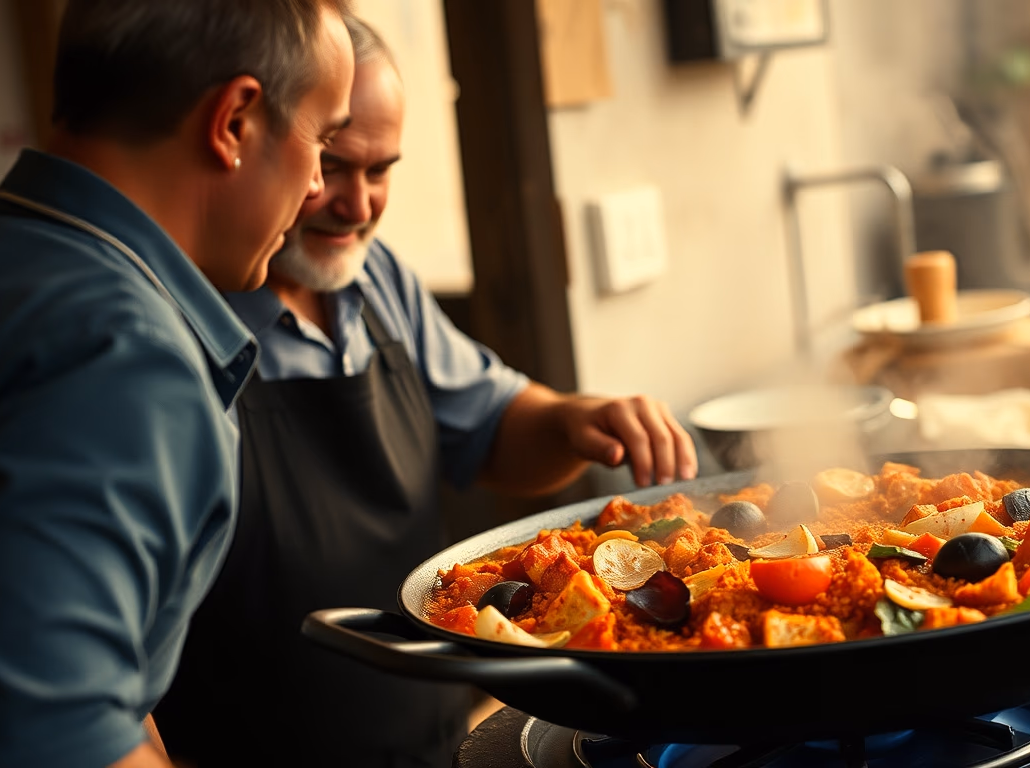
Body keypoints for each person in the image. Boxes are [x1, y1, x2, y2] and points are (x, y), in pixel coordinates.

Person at [152, 15, 698, 768]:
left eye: (380, 172)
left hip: (439, 740)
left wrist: (574, 418)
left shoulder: (377, 281)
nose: (357, 204)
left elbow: (496, 428)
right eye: (332, 165)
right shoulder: (173, 331)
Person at [0, 2, 354, 766]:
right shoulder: (124, 358)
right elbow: (54, 736)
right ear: (234, 122)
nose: (314, 187)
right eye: (323, 140)